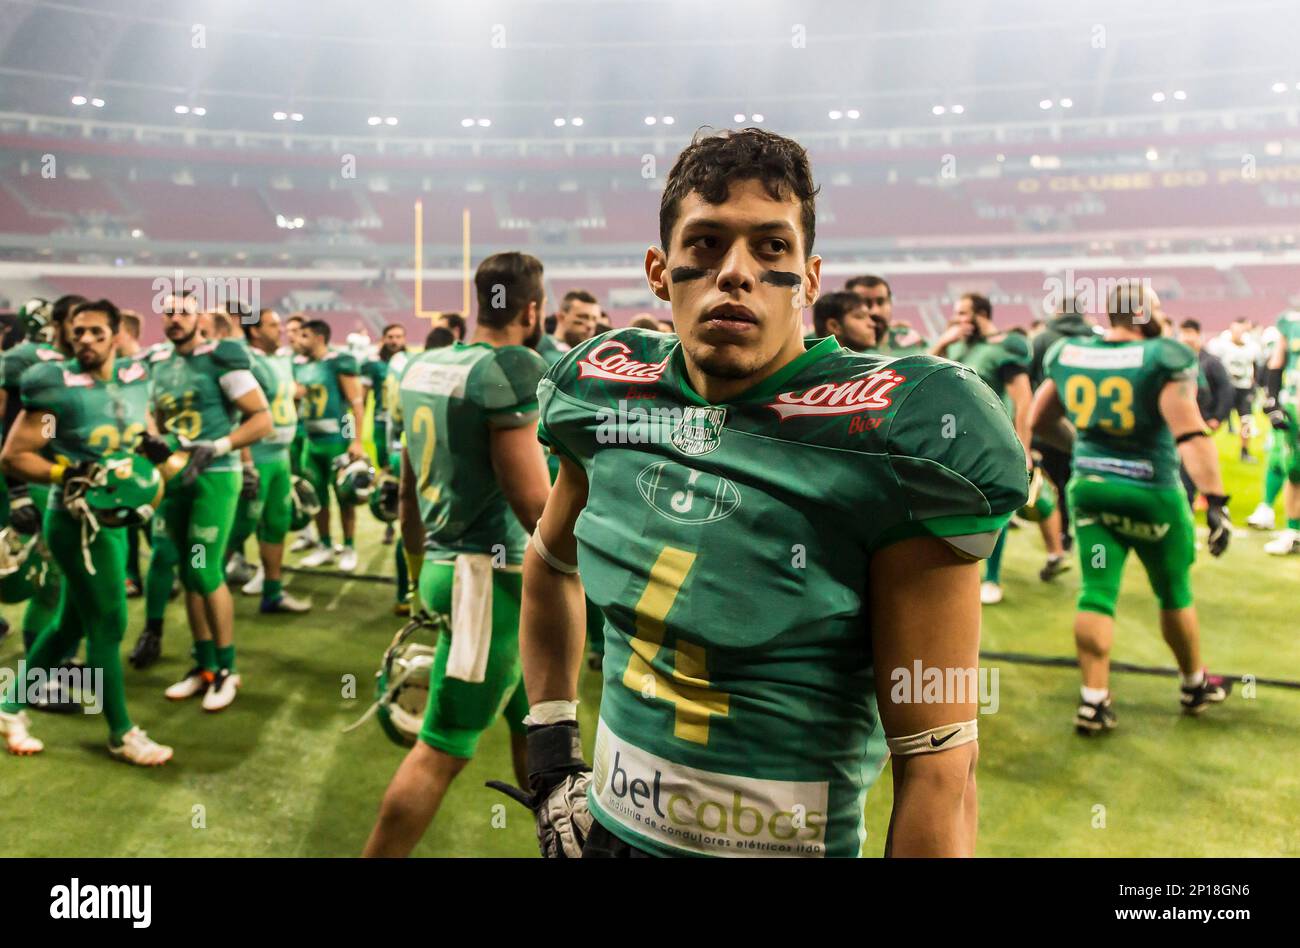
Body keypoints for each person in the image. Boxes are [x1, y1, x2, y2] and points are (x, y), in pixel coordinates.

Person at [503, 128, 1026, 859]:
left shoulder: (893, 430)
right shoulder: (607, 395)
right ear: (661, 270)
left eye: (771, 249)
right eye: (707, 243)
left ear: (810, 279)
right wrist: (554, 746)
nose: (735, 273)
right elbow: (549, 564)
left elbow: (938, 762)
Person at [362, 252, 551, 857]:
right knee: (440, 748)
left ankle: (557, 845)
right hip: (490, 581)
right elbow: (533, 508)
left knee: (544, 730)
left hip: (450, 568)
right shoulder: (511, 367)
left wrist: (417, 574)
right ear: (533, 308)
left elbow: (409, 493)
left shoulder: (421, 366)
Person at [1032, 281, 1232, 735]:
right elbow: (1190, 433)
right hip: (1151, 491)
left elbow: (1039, 420)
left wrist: (1084, 446)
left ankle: (1093, 701)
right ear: (1145, 312)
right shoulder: (1163, 355)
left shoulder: (1071, 352)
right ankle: (1193, 684)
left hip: (1092, 488)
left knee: (1096, 591)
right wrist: (1216, 501)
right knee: (1174, 590)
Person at [0, 299, 173, 764]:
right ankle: (120, 731)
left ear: (117, 334)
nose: (87, 341)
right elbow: (15, 455)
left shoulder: (136, 377)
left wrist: (153, 446)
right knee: (109, 622)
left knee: (68, 625)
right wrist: (63, 474)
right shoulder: (54, 384)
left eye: (97, 332)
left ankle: (8, 705)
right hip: (76, 520)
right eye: (79, 332)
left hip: (117, 516)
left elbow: (138, 428)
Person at [144, 293, 272, 710]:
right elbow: (156, 419)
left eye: (184, 311)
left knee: (202, 568)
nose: (175, 319)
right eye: (169, 312)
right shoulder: (157, 364)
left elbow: (261, 419)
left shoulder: (221, 358)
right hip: (175, 473)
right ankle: (203, 665)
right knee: (186, 569)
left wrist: (217, 446)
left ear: (200, 317)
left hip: (214, 474)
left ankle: (227, 669)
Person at [931, 294, 1069, 603]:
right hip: (956, 440)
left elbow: (1023, 400)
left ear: (981, 315)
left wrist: (1022, 446)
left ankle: (992, 579)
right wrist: (943, 342)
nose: (958, 319)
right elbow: (926, 371)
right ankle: (1053, 553)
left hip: (992, 440)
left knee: (997, 506)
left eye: (963, 313)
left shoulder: (1006, 347)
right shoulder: (957, 344)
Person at [228, 308, 311, 613]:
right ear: (254, 331)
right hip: (258, 456)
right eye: (273, 326)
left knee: (277, 523)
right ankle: (206, 587)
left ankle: (273, 592)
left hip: (281, 456)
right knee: (238, 527)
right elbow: (238, 414)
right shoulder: (247, 362)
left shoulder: (281, 359)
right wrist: (247, 460)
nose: (281, 330)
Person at [292, 319, 367, 570]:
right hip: (311, 443)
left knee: (344, 496)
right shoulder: (299, 365)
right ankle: (324, 545)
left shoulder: (338, 362)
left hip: (336, 441)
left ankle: (349, 547)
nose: (297, 340)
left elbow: (355, 403)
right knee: (316, 497)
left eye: (303, 335)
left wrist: (355, 440)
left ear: (318, 337)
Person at [1029, 297, 1097, 551]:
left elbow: (1028, 379)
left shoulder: (1042, 339)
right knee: (1077, 481)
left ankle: (1057, 538)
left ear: (1058, 312)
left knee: (1050, 483)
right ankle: (1075, 532)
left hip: (1047, 425)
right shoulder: (1095, 339)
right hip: (1085, 426)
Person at [1176, 319, 1234, 503]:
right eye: (1183, 334)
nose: (1186, 338)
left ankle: (1194, 498)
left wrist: (1218, 416)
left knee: (1193, 462)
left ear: (1197, 335)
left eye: (1189, 334)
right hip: (1178, 422)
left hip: (1201, 420)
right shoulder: (1175, 360)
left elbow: (1225, 390)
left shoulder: (1211, 362)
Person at [1260, 308, 1300, 555]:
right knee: (1295, 471)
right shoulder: (1290, 323)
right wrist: (1272, 400)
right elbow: (1277, 362)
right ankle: (1293, 531)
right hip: (1296, 409)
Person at [1206, 319, 1261, 462]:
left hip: (1244, 388)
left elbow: (1255, 364)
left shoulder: (1252, 346)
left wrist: (1254, 380)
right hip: (1226, 388)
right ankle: (1205, 449)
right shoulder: (1221, 344)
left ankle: (1244, 451)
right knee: (1214, 419)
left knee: (1246, 421)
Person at [845, 274, 926, 355]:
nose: (875, 311)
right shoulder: (841, 352)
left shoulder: (911, 340)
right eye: (866, 303)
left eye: (881, 302)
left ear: (890, 303)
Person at [537, 290, 599, 367]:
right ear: (561, 317)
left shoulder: (594, 356)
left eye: (594, 319)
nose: (590, 325)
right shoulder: (541, 348)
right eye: (583, 317)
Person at [811, 290, 877, 351]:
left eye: (869, 317)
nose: (872, 324)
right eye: (860, 317)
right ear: (834, 326)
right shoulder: (820, 363)